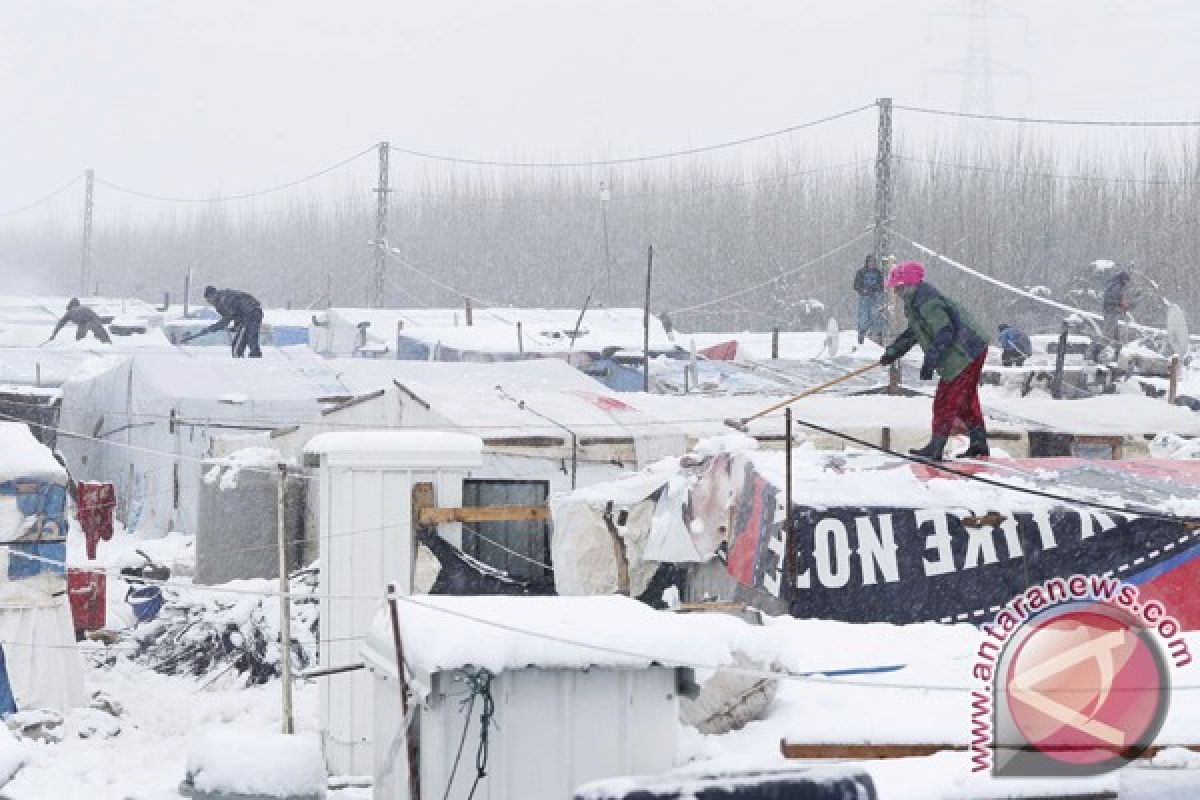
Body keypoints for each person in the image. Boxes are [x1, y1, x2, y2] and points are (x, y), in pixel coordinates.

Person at [878, 261, 991, 461]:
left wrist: (931, 360)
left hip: (965, 351)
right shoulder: (915, 302)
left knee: (945, 399)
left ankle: (936, 447)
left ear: (908, 285)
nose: (895, 291)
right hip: (971, 348)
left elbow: (945, 330)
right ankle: (978, 443)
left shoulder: (926, 301)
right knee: (964, 397)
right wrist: (893, 352)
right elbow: (914, 332)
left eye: (898, 287)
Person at [184, 286, 264, 357]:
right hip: (250, 314)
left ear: (213, 295)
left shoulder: (224, 299)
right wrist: (236, 326)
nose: (209, 302)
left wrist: (210, 329)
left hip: (251, 314)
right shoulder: (222, 300)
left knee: (241, 344)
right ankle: (252, 358)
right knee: (243, 342)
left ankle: (253, 359)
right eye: (207, 300)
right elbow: (235, 313)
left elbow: (226, 320)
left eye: (209, 299)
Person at [853, 254, 887, 345]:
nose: (871, 264)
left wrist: (875, 290)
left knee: (876, 316)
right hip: (864, 298)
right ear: (867, 263)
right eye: (870, 262)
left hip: (875, 298)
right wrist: (862, 290)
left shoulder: (878, 273)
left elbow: (882, 286)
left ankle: (878, 337)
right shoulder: (861, 272)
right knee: (864, 316)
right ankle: (861, 336)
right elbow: (856, 285)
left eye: (873, 262)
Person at [1099, 270, 1132, 360]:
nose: (1127, 283)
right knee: (1108, 333)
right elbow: (1117, 300)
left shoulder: (1113, 284)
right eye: (1126, 281)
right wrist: (1121, 307)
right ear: (1123, 279)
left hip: (1109, 311)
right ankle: (1098, 352)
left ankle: (1118, 353)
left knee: (1115, 333)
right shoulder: (1117, 287)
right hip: (1111, 312)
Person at [47, 298, 112, 344]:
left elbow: (60, 324)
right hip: (92, 320)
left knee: (80, 340)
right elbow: (98, 319)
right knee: (105, 340)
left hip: (84, 322)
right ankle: (107, 347)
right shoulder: (84, 308)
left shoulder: (69, 312)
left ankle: (82, 348)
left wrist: (53, 335)